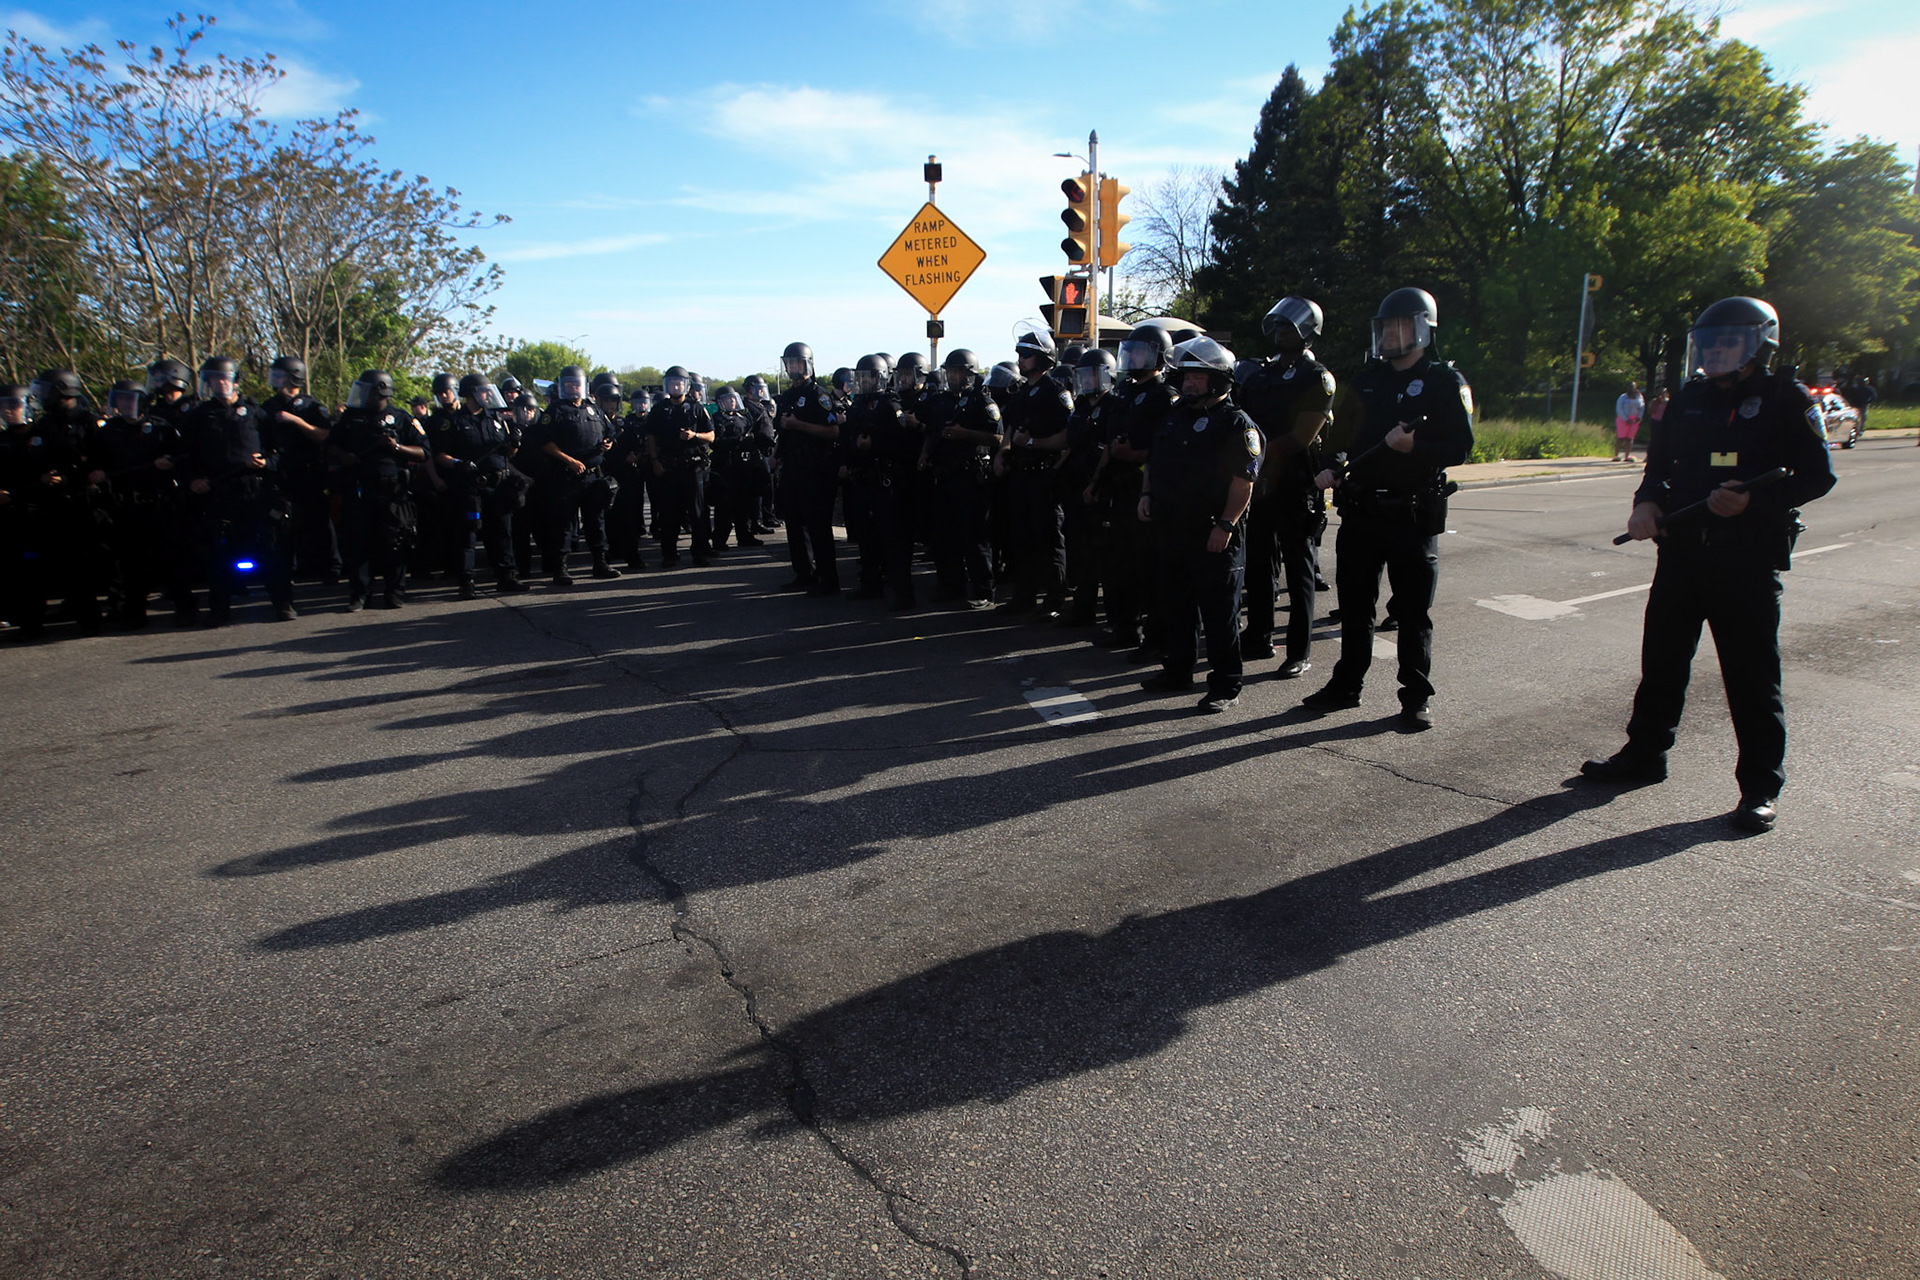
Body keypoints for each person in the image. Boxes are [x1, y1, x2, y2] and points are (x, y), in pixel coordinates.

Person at [1581, 296, 1837, 832]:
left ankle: (1761, 787)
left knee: (1750, 677)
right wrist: (1645, 503)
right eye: (1710, 342)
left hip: (1746, 559)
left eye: (1730, 341)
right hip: (1681, 552)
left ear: (1759, 345)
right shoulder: (1689, 399)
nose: (1717, 351)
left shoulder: (1783, 398)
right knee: (1663, 664)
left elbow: (1817, 475)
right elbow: (1659, 465)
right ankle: (1645, 754)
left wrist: (1755, 501)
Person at [1304, 286, 1474, 730]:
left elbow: (1461, 446)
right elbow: (1337, 440)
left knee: (1413, 612)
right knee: (1356, 607)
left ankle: (1415, 695)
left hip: (1411, 515)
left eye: (1401, 326)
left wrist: (1416, 445)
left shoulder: (1443, 381)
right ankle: (1346, 686)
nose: (1392, 335)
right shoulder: (1366, 380)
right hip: (1361, 512)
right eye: (1386, 327)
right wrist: (1332, 466)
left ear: (1423, 329)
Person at [1137, 336, 1262, 713]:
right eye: (1186, 376)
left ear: (1219, 380)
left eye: (1197, 377)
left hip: (1213, 531)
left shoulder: (1236, 424)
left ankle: (1226, 684)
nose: (1188, 383)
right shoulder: (1176, 416)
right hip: (1172, 527)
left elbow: (1244, 481)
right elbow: (1153, 462)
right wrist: (1146, 494)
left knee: (1219, 612)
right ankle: (1178, 670)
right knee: (1176, 606)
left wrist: (1225, 525)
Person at [1237, 296, 1335, 680]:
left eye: (1288, 326)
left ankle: (1299, 650)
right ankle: (1259, 635)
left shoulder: (1317, 377)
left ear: (1308, 332)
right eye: (1277, 325)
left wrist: (1254, 459)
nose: (1280, 332)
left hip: (1296, 483)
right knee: (1259, 565)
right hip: (1261, 484)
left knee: (1299, 568)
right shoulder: (1262, 374)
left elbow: (1301, 437)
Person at [182, 356, 295, 624]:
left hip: (255, 490)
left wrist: (267, 462)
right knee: (219, 553)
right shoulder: (200, 415)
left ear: (234, 380)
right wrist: (193, 479)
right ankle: (219, 610)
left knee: (269, 548)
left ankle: (283, 603)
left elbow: (280, 451)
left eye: (224, 378)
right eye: (213, 379)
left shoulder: (256, 412)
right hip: (219, 491)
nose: (219, 384)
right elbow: (185, 455)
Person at [1106, 322, 1182, 656]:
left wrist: (1133, 454)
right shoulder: (1126, 391)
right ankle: (1125, 628)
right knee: (1121, 564)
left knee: (1149, 567)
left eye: (1140, 351)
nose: (1133, 357)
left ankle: (1156, 638)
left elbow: (1167, 447)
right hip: (1120, 485)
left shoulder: (1164, 396)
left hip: (1145, 485)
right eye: (1131, 351)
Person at [331, 369, 427, 609]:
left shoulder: (402, 418)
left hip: (393, 492)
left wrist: (397, 448)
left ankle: (394, 592)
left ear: (381, 392)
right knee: (358, 543)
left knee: (394, 542)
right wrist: (345, 456)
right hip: (360, 490)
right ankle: (360, 594)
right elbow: (331, 445)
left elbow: (424, 452)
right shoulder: (351, 417)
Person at [916, 349, 1002, 608]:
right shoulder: (940, 402)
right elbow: (931, 433)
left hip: (971, 477)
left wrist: (966, 434)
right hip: (944, 477)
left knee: (975, 537)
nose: (953, 376)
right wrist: (924, 456)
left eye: (958, 372)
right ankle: (950, 585)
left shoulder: (982, 403)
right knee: (944, 536)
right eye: (950, 371)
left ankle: (983, 591)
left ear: (970, 373)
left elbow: (997, 438)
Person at [427, 373, 527, 596]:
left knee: (503, 531)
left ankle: (507, 577)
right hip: (471, 487)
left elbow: (508, 453)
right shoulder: (454, 422)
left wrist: (515, 442)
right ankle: (466, 581)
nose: (488, 395)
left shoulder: (496, 419)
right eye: (483, 391)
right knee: (469, 534)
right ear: (471, 393)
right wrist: (458, 464)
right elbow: (440, 455)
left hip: (498, 486)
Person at [1000, 323, 1074, 617]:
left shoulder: (1056, 393)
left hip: (1044, 473)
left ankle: (1054, 600)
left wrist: (1033, 442)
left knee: (1049, 539)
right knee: (1021, 538)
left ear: (1042, 359)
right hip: (1020, 474)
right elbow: (1009, 429)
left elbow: (1070, 436)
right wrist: (1002, 453)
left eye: (1027, 355)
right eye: (1019, 354)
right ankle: (1024, 596)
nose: (1020, 359)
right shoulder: (1019, 394)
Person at [526, 365, 620, 585]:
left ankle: (600, 563)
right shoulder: (555, 411)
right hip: (565, 476)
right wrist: (569, 460)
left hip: (593, 476)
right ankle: (560, 569)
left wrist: (608, 444)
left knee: (596, 522)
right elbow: (545, 443)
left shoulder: (593, 409)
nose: (573, 389)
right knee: (564, 524)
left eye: (577, 385)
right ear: (562, 387)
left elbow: (610, 433)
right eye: (569, 385)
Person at [1059, 346, 1121, 627]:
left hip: (1103, 488)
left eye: (1093, 375)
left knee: (1107, 557)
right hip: (1076, 483)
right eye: (1084, 375)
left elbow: (1109, 448)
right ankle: (1082, 609)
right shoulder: (1081, 406)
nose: (1088, 381)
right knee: (1081, 551)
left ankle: (1113, 615)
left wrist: (1095, 484)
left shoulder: (1115, 406)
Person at [262, 355, 338, 583]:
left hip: (310, 471)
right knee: (284, 522)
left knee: (320, 520)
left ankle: (332, 567)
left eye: (280, 376)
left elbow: (323, 435)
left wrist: (296, 421)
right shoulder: (269, 407)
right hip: (281, 472)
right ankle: (293, 566)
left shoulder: (312, 406)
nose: (275, 380)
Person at [773, 342, 841, 595]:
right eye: (789, 363)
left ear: (808, 365)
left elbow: (833, 431)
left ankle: (828, 579)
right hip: (792, 468)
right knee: (794, 523)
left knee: (818, 526)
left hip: (815, 469)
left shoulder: (818, 395)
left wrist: (799, 425)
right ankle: (804, 572)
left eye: (798, 363)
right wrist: (776, 456)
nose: (793, 368)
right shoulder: (786, 396)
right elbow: (783, 431)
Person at [645, 365, 714, 567]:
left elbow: (711, 436)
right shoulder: (659, 410)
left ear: (686, 385)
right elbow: (651, 437)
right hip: (668, 468)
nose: (676, 387)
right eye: (672, 383)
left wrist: (695, 436)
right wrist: (655, 461)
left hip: (693, 468)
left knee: (697, 513)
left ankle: (699, 552)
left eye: (679, 383)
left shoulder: (697, 408)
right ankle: (669, 554)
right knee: (669, 514)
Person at [708, 386, 765, 551]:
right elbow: (715, 442)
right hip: (725, 467)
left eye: (734, 398)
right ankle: (720, 540)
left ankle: (744, 535)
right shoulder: (717, 419)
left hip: (744, 466)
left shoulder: (743, 417)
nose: (732, 401)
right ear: (720, 402)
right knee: (724, 507)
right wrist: (735, 441)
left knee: (744, 504)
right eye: (728, 399)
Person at [1614, 381, 1645, 462]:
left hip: (1635, 420)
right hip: (1623, 419)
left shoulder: (1639, 396)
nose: (1631, 388)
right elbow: (1619, 409)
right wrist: (1626, 419)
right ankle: (1616, 455)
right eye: (1630, 386)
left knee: (1630, 438)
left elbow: (1641, 407)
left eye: (1633, 386)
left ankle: (1627, 456)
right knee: (1621, 438)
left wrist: (1639, 417)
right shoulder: (1623, 397)